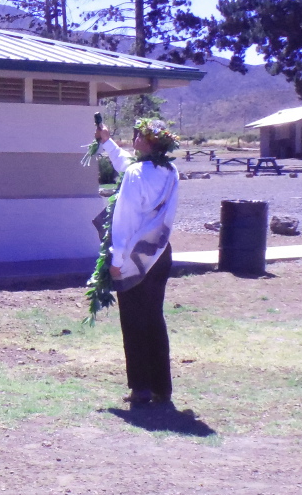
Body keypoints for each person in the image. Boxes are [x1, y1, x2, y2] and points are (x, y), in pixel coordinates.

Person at [95, 118, 180, 406]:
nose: (134, 139)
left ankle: (141, 387)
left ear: (147, 142)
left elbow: (124, 220)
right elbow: (128, 165)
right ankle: (161, 387)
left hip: (133, 254)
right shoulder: (170, 171)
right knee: (154, 316)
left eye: (138, 136)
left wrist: (116, 259)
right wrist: (107, 142)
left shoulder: (135, 174)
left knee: (133, 319)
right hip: (159, 252)